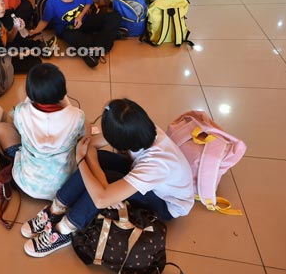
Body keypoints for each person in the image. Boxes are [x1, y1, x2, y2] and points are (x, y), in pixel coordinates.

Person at [21, 99, 194, 257]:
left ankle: (64, 230)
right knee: (101, 163)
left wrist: (82, 162)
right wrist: (101, 181)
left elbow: (100, 199)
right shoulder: (135, 128)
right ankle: (55, 210)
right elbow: (90, 145)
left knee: (102, 178)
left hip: (166, 203)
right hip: (149, 177)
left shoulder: (156, 164)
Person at [0, 64, 85, 200]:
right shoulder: (77, 116)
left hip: (27, 184)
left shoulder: (21, 112)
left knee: (1, 128)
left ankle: (13, 160)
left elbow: (17, 126)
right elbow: (81, 137)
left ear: (30, 93)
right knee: (80, 136)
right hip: (63, 188)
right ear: (63, 90)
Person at [29, 0, 120, 68]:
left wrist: (80, 16)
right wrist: (35, 31)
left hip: (84, 21)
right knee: (75, 39)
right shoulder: (52, 1)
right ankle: (101, 43)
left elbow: (88, 3)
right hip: (67, 29)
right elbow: (45, 20)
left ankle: (94, 48)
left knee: (114, 16)